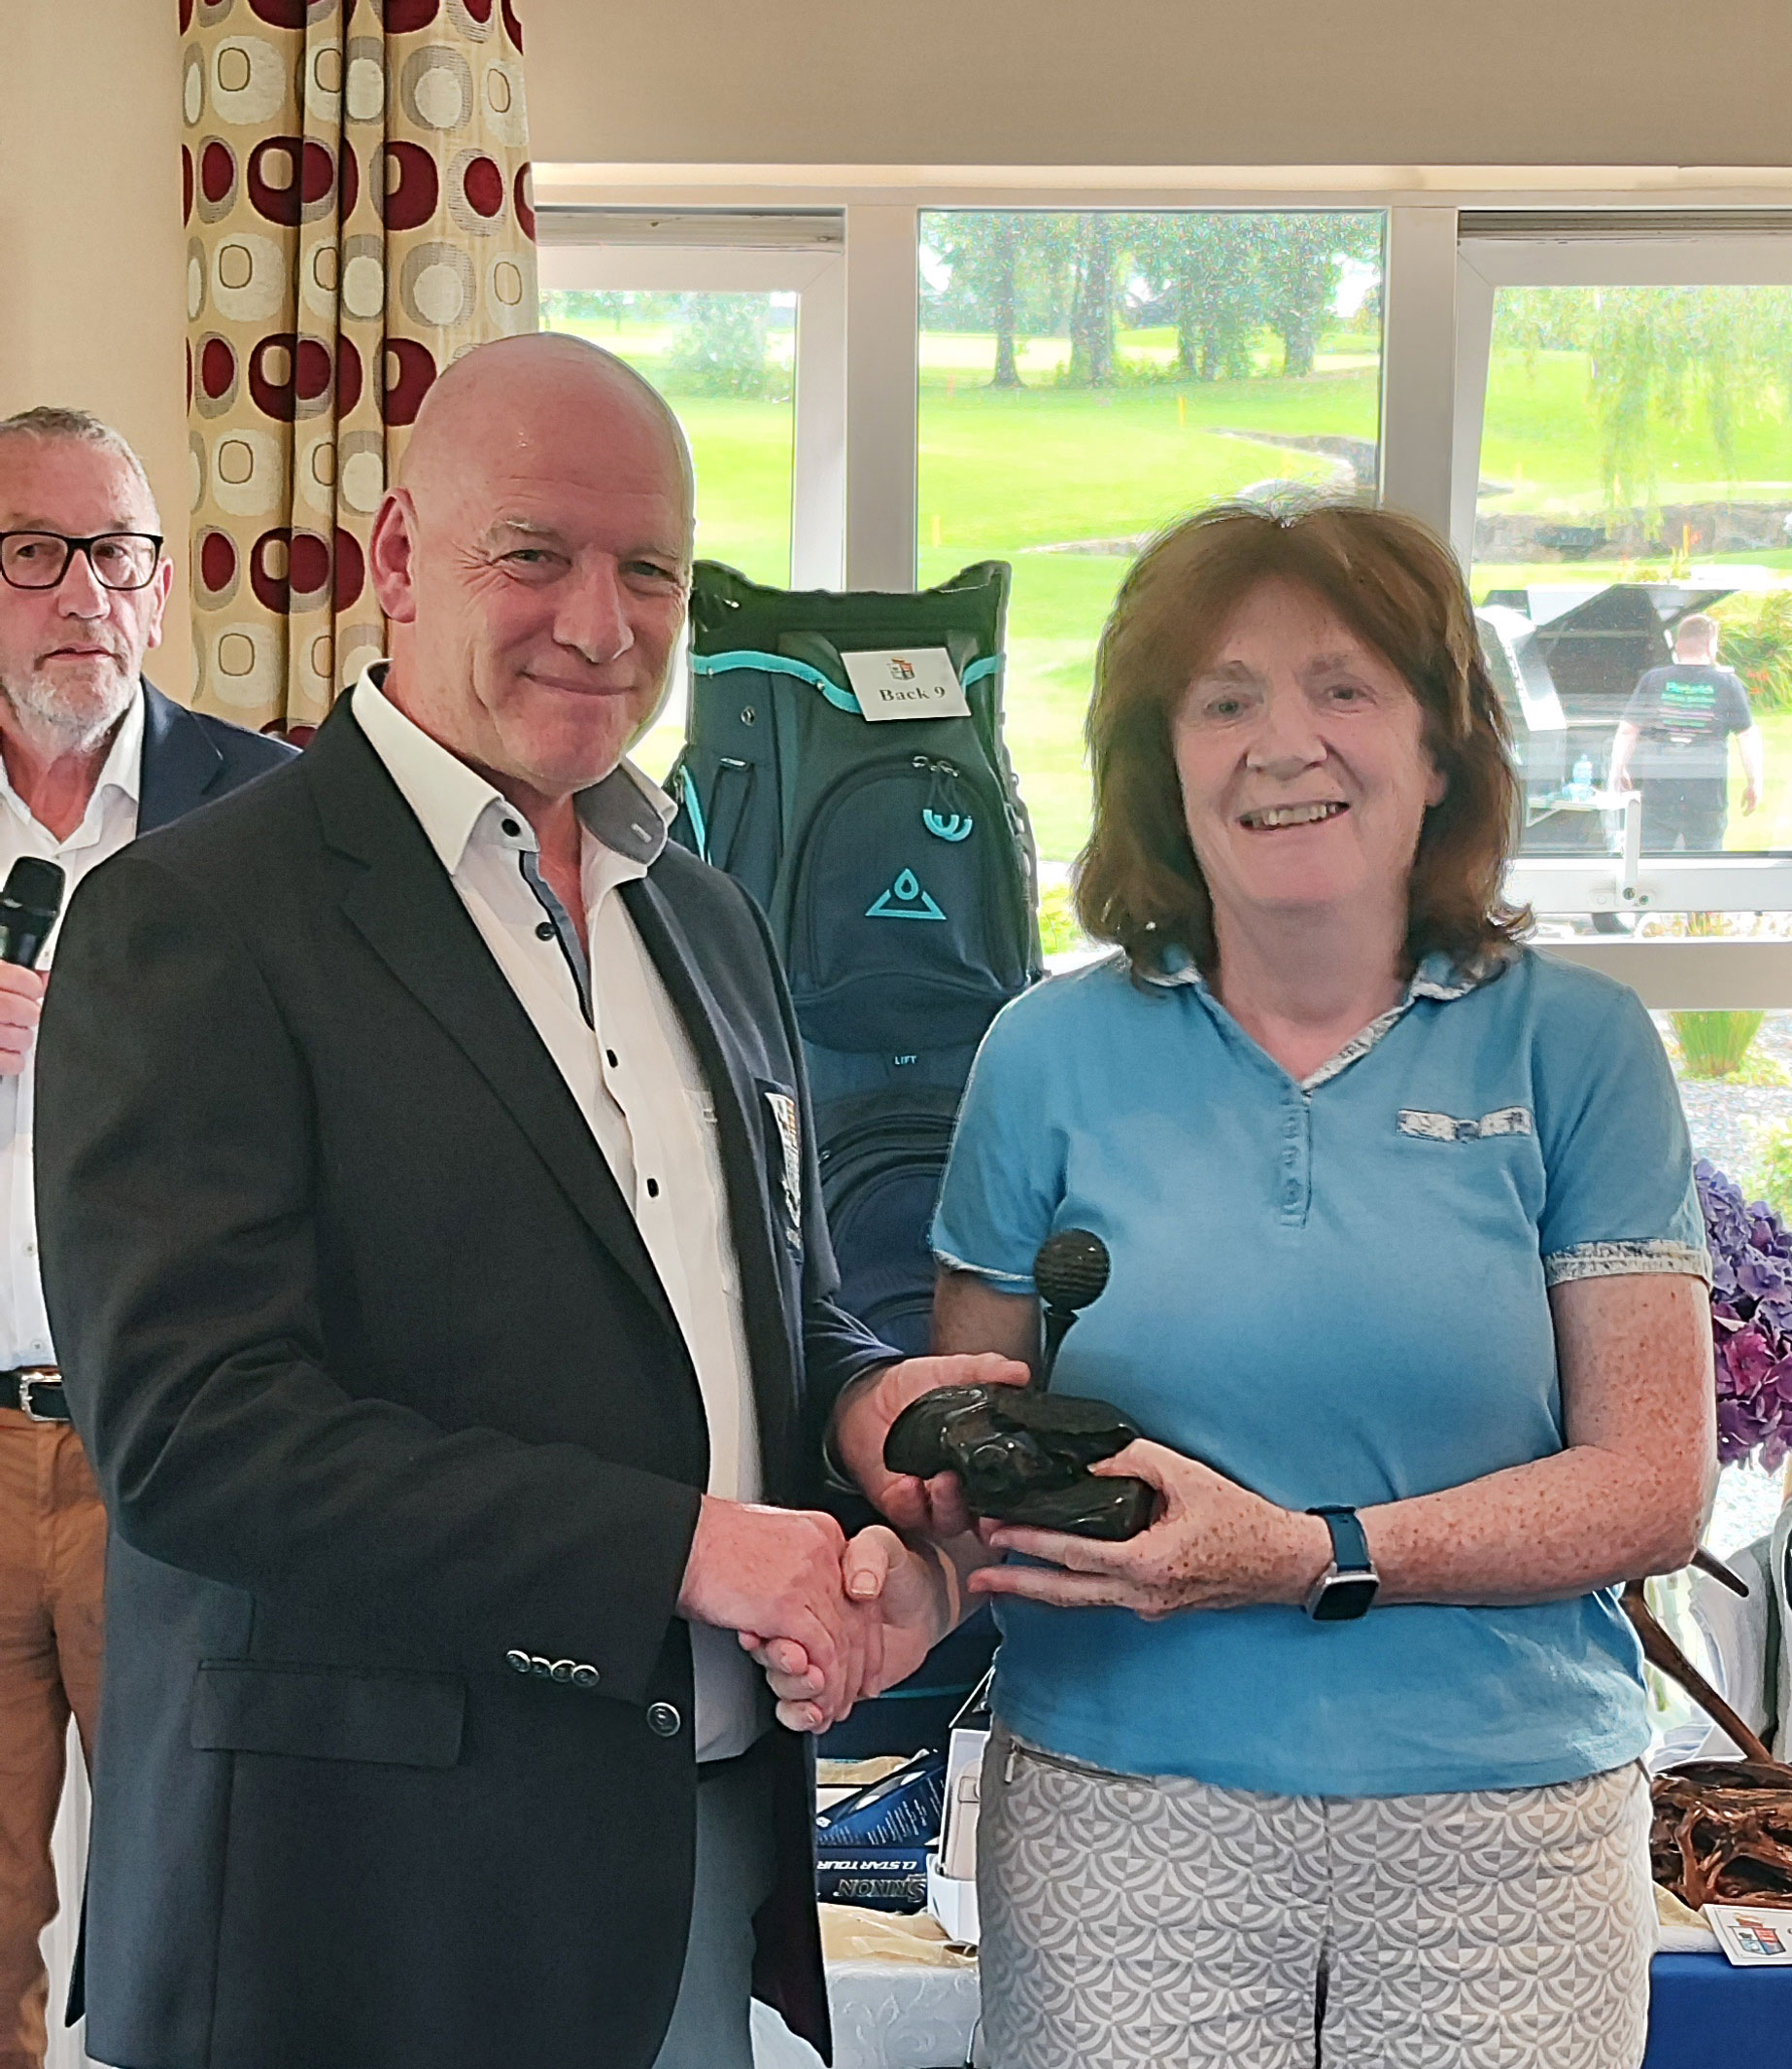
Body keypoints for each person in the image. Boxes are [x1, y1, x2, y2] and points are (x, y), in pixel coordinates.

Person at [31, 336, 1009, 2069]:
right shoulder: (194, 915)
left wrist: (869, 1404)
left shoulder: (703, 912)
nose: (600, 621)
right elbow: (197, 1433)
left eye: (651, 570)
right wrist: (689, 1548)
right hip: (361, 1910)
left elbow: (749, 1295)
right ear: (401, 558)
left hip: (689, 1857)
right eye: (535, 553)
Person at [808, 501, 1718, 2069]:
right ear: (1157, 761)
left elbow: (1650, 1484)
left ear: (1440, 745)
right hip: (1117, 1835)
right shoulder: (1041, 1059)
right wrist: (919, 1578)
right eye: (1221, 698)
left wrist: (1306, 1554)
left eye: (1341, 686)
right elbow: (986, 1477)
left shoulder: (1578, 1050)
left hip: (1501, 1850)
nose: (1280, 741)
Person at [0, 406, 293, 2069]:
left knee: (205, 1905)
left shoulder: (270, 813)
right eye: (34, 550)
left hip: (181, 1441)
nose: (81, 591)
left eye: (115, 552)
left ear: (162, 587)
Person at [1607, 611, 1764, 850]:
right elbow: (1747, 735)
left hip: (1659, 795)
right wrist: (1755, 781)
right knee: (1705, 865)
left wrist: (1619, 768)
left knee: (1652, 863)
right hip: (1707, 797)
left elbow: (1629, 730)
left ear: (1678, 645)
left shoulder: (1653, 679)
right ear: (1710, 646)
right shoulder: (1727, 684)